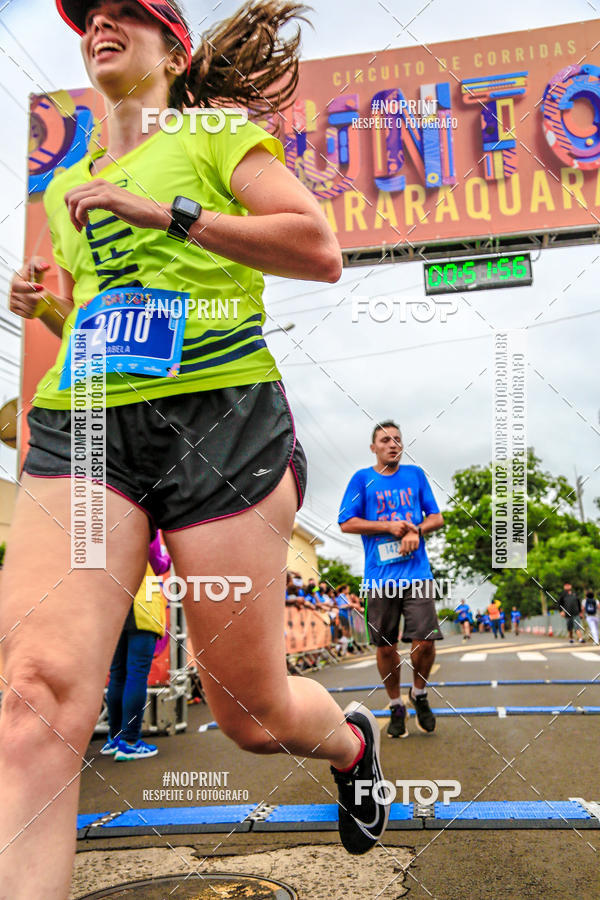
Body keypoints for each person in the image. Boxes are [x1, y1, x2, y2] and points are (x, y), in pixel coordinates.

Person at [1, 4, 390, 894]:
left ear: (173, 52)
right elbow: (108, 318)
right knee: (34, 694)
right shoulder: (67, 191)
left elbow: (316, 248)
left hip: (223, 421)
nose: (101, 22)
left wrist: (168, 211)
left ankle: (350, 742)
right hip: (91, 422)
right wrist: (48, 312)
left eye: (125, 13)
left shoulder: (214, 135)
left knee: (251, 713)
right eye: (88, 15)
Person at [338, 420, 444, 739]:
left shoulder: (415, 475)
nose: (393, 444)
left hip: (416, 573)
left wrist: (416, 530)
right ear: (374, 448)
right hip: (379, 578)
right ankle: (396, 704)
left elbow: (436, 517)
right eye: (385, 440)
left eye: (397, 439)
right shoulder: (362, 479)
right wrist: (387, 527)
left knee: (425, 639)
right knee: (386, 646)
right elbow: (346, 522)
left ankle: (420, 694)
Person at [102, 533, 171, 760]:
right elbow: (158, 562)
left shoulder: (104, 524)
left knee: (117, 675)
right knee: (137, 675)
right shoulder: (146, 523)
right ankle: (130, 742)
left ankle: (115, 738)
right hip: (141, 601)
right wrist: (168, 556)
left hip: (112, 603)